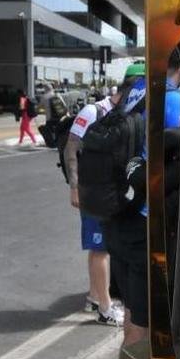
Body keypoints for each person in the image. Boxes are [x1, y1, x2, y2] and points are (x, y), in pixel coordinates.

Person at [103, 55, 180, 346]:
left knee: (133, 312)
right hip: (147, 223)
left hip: (120, 214)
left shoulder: (134, 92)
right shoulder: (172, 100)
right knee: (144, 324)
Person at [65, 88, 126, 327]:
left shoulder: (117, 112)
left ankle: (94, 296)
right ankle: (105, 308)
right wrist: (74, 186)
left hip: (102, 190)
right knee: (101, 248)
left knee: (99, 246)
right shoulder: (93, 111)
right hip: (91, 190)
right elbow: (71, 147)